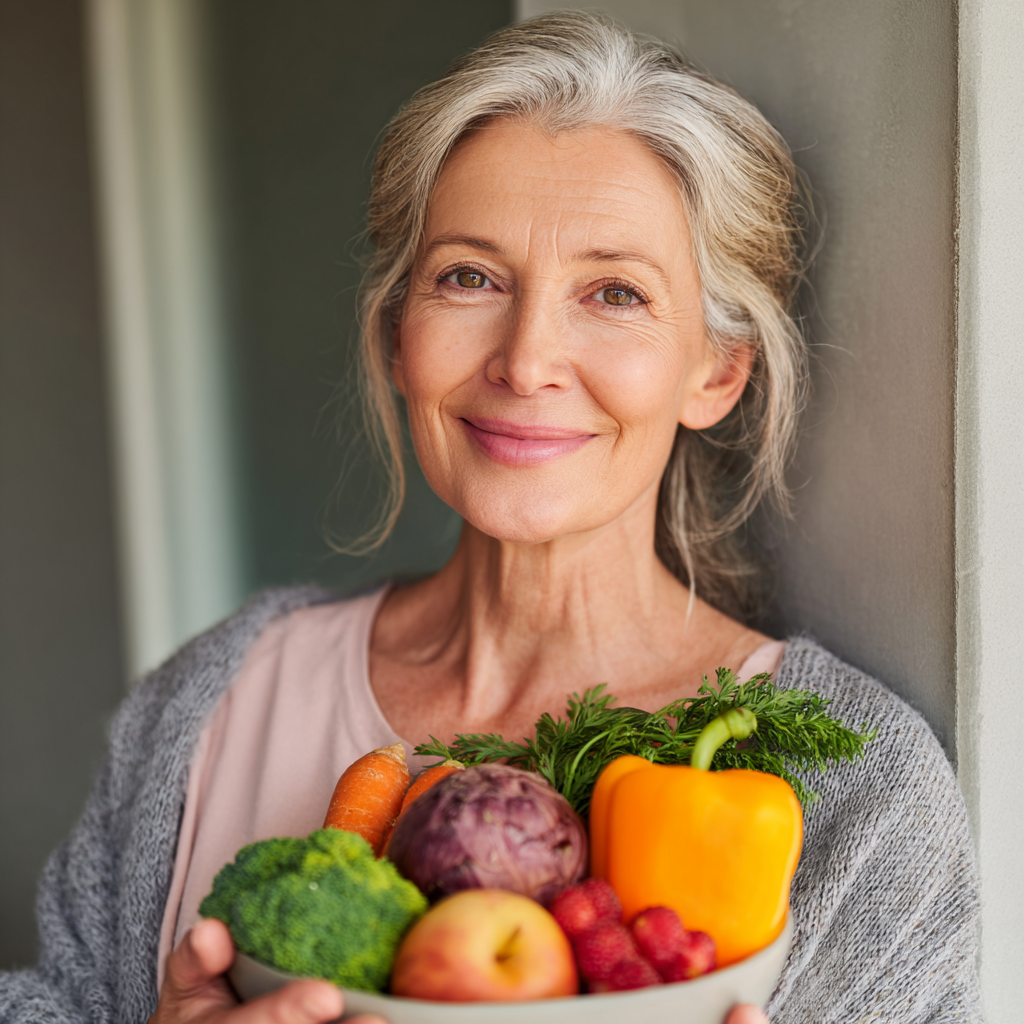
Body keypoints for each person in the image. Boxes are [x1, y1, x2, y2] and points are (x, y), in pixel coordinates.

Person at [0, 12, 981, 1024]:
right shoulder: (211, 705)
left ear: (716, 369)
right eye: (468, 277)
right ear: (396, 333)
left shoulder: (859, 789)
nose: (523, 360)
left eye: (613, 292)